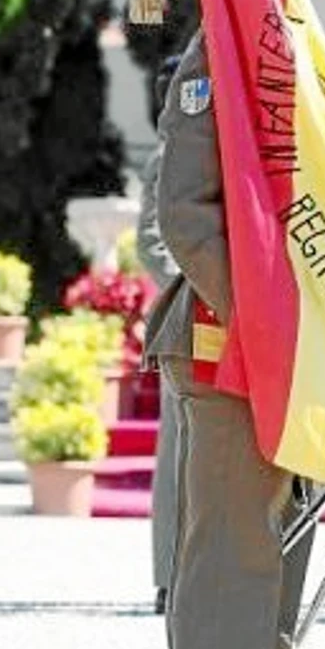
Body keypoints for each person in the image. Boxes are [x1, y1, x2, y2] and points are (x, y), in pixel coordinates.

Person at [144, 0, 325, 649]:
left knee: (278, 550)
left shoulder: (292, 48)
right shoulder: (219, 49)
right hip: (226, 340)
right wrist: (266, 318)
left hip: (284, 347)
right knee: (226, 560)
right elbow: (188, 213)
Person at [142, 54, 185, 614]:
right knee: (178, 450)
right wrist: (187, 283)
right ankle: (169, 573)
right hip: (186, 308)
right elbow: (150, 238)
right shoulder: (167, 150)